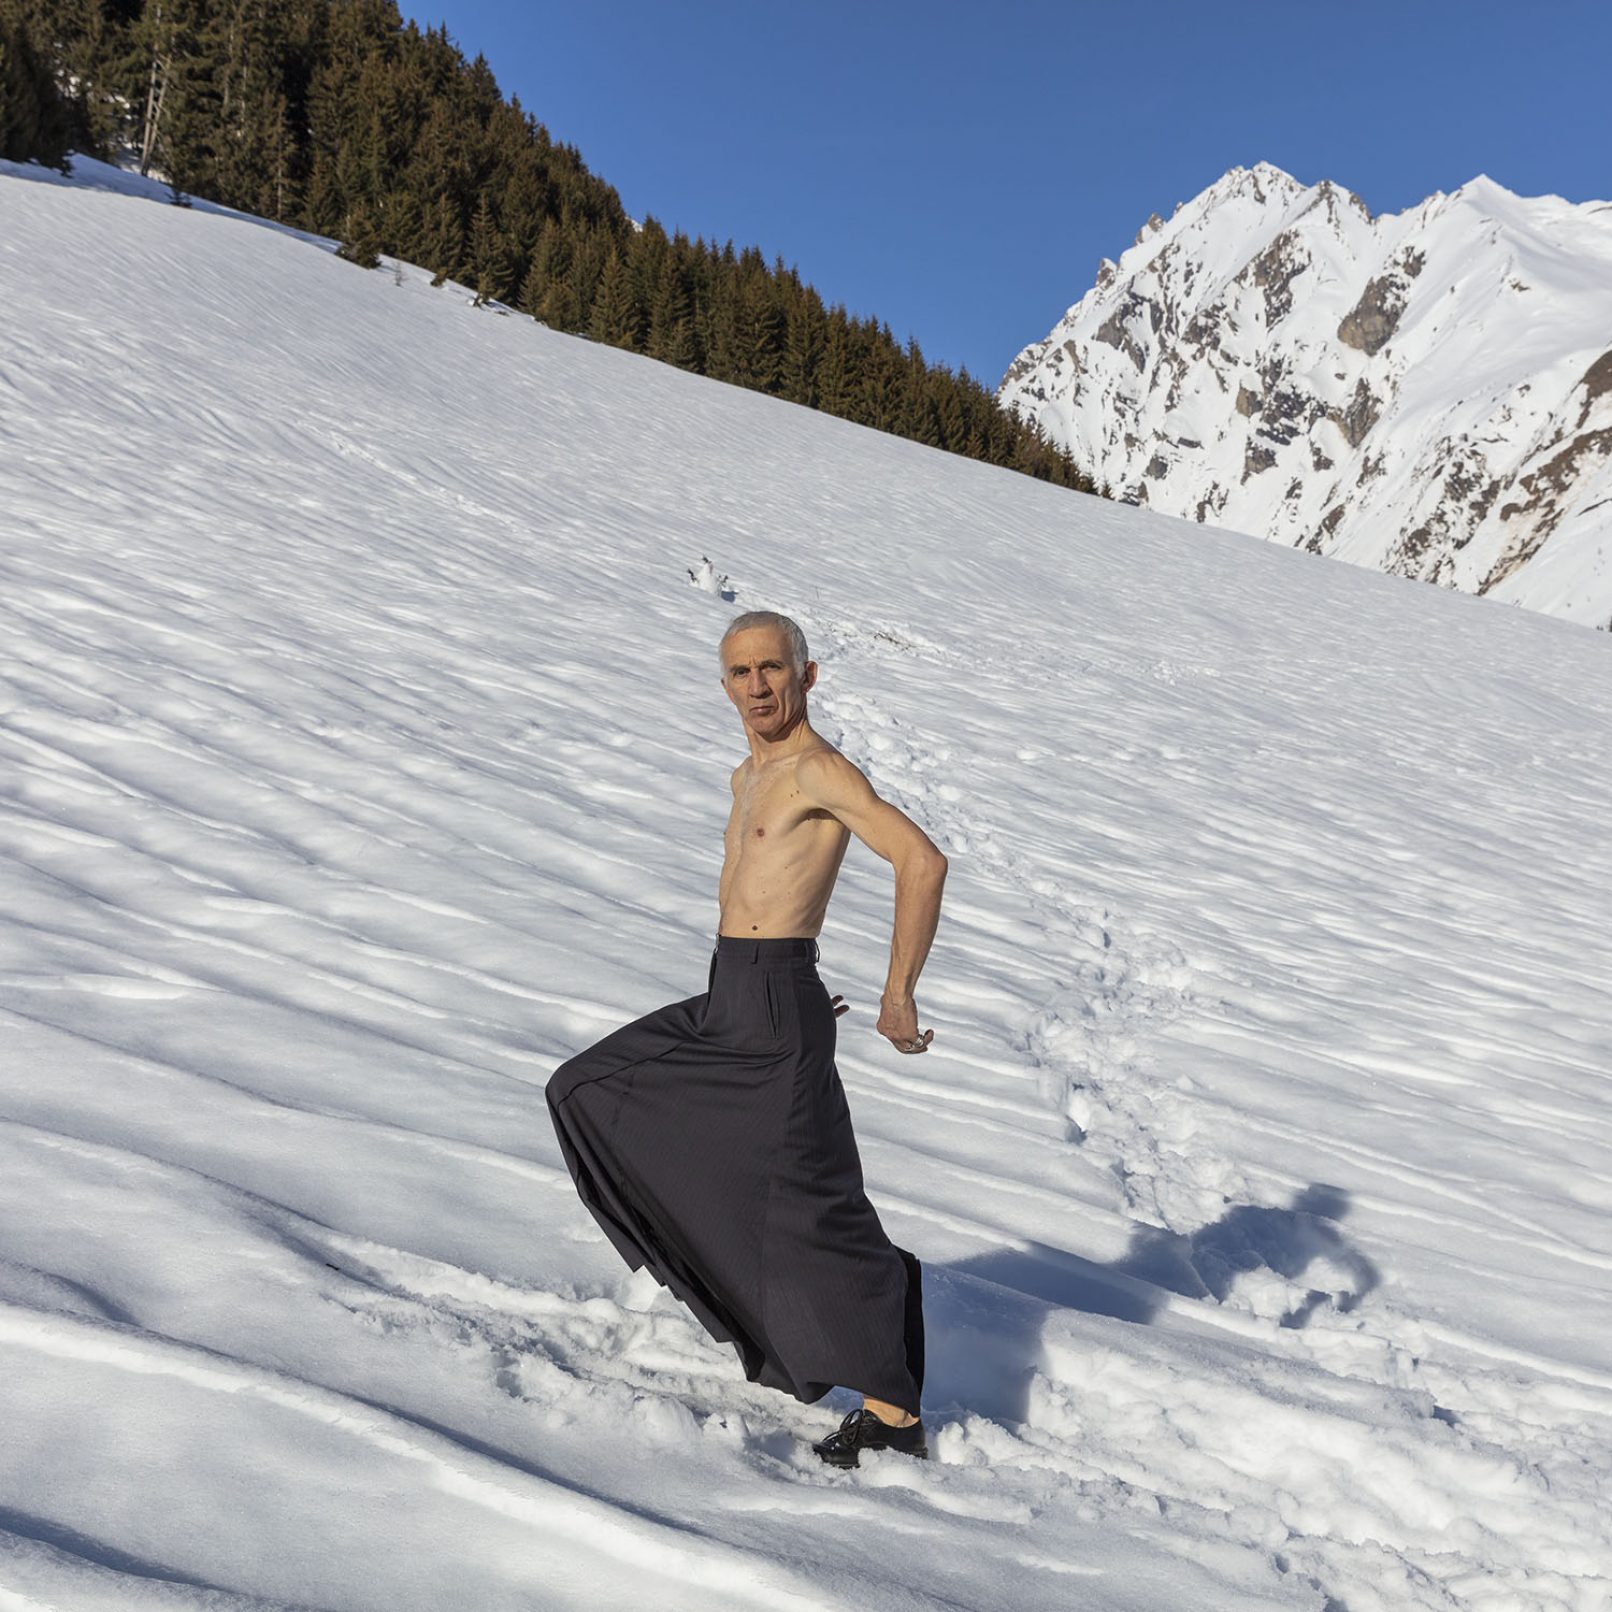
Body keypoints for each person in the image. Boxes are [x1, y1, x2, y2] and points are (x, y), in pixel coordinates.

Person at [546, 609, 948, 1469]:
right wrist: (781, 991)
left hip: (772, 1002)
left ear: (807, 677)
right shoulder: (747, 777)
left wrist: (897, 993)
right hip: (743, 995)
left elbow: (922, 860)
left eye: (773, 668)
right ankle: (745, 1307)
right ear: (723, 683)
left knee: (814, 1202)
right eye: (741, 672)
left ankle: (894, 1412)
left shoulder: (818, 770)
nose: (757, 686)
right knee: (586, 1090)